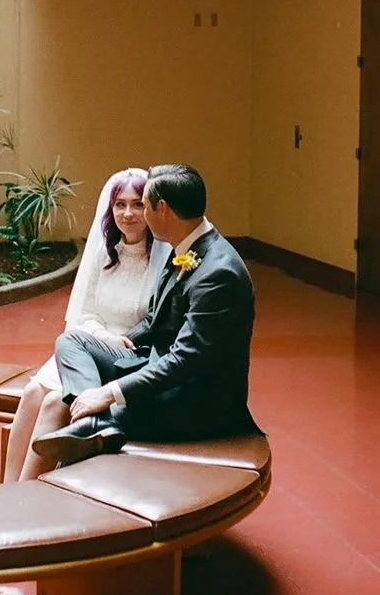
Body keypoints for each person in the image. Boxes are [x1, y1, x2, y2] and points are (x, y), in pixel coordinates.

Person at [32, 162, 256, 465]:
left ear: (161, 208)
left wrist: (109, 393)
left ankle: (83, 445)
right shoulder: (183, 246)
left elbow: (186, 360)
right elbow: (154, 320)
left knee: (63, 414)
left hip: (193, 404)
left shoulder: (218, 272)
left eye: (144, 205)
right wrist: (117, 342)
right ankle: (96, 425)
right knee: (73, 341)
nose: (137, 215)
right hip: (157, 365)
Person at [2, 168, 169, 481]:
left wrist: (117, 342)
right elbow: (84, 313)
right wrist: (102, 336)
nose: (128, 213)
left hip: (129, 354)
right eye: (120, 204)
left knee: (54, 401)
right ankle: (7, 488)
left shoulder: (162, 260)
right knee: (31, 394)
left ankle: (23, 494)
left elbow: (157, 321)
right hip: (89, 342)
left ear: (150, 209)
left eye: (136, 204)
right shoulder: (104, 254)